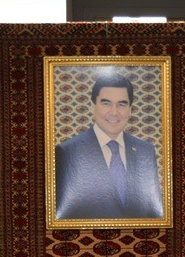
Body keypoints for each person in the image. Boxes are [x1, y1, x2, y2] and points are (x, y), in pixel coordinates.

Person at [53, 71, 164, 221]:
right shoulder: (68, 152)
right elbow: (63, 216)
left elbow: (154, 212)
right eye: (106, 103)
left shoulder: (146, 151)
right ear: (93, 106)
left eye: (122, 104)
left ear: (130, 109)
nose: (114, 112)